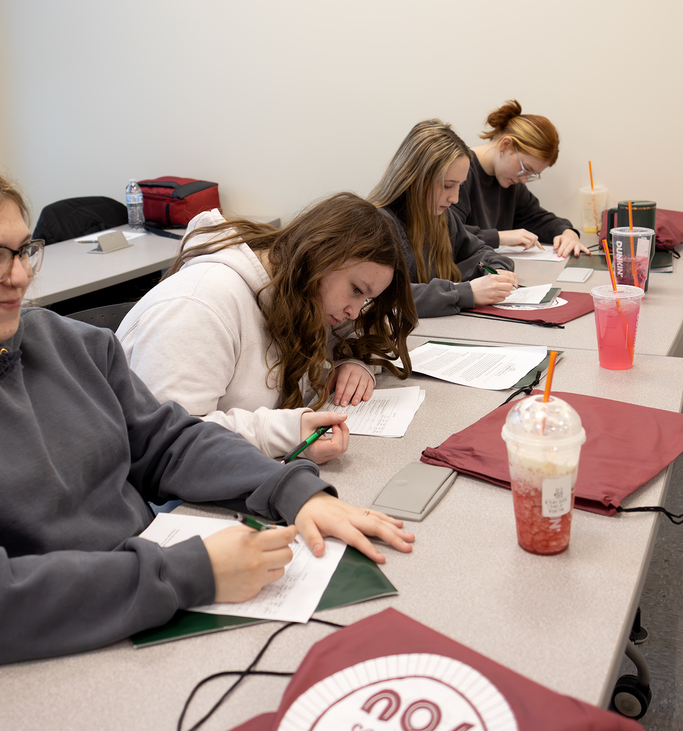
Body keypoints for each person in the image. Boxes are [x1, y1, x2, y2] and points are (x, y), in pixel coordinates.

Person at [0, 158, 415, 727]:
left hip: (121, 612)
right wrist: (188, 573)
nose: (20, 275)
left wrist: (290, 490)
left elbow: (168, 441)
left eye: (25, 250)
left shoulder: (61, 344)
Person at [116, 193, 418, 465]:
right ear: (320, 254)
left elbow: (372, 331)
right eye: (355, 289)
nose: (355, 310)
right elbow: (171, 443)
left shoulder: (301, 295)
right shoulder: (201, 304)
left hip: (243, 476)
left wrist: (356, 363)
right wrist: (286, 433)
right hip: (157, 508)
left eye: (366, 300)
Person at [368, 119, 518, 319]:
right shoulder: (377, 225)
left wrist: (497, 273)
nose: (454, 198)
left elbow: (481, 252)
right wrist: (467, 293)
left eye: (459, 186)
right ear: (415, 178)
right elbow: (383, 296)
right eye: (447, 185)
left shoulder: (443, 217)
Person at [452, 100, 585, 258]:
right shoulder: (458, 174)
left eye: (531, 174)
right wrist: (501, 237)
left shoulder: (509, 182)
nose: (523, 180)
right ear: (506, 145)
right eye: (526, 169)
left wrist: (567, 232)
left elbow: (536, 218)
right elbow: (446, 233)